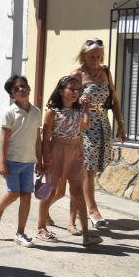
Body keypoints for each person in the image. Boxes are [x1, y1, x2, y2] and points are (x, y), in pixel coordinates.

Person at [61, 38, 127, 231]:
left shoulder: (105, 72)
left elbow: (113, 98)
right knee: (88, 169)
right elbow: (66, 97)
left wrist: (120, 124)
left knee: (94, 168)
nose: (95, 60)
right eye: (91, 57)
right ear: (83, 55)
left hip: (103, 123)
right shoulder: (77, 74)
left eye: (98, 56)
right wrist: (78, 100)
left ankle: (56, 211)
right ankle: (92, 210)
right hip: (84, 124)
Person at [36, 76, 102, 246]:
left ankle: (86, 234)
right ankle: (41, 227)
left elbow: (85, 126)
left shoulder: (79, 110)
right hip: (56, 150)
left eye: (77, 89)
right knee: (50, 190)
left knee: (78, 193)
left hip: (75, 151)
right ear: (61, 91)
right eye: (71, 89)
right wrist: (45, 162)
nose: (75, 92)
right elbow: (46, 138)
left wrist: (86, 109)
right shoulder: (52, 111)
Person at [0, 75, 42, 247]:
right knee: (14, 193)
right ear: (12, 95)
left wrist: (40, 161)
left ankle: (20, 233)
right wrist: (2, 163)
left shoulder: (37, 112)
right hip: (12, 161)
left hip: (28, 162)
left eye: (23, 86)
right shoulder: (9, 112)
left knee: (26, 196)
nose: (21, 90)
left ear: (29, 88)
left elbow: (38, 139)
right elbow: (4, 139)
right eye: (16, 89)